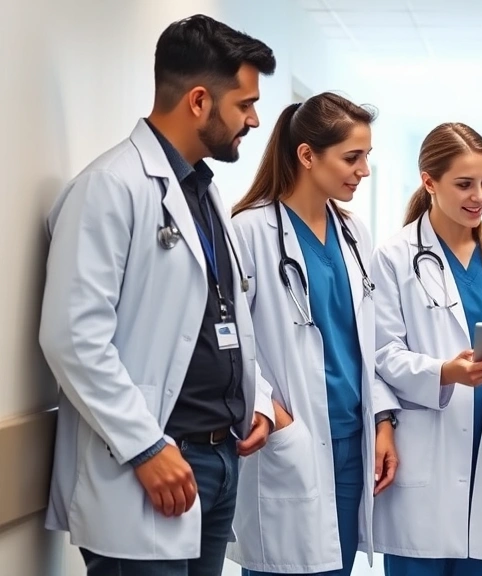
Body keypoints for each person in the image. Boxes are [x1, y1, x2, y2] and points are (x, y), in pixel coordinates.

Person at [38, 14, 278, 576]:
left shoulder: (202, 190)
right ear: (199, 101)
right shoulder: (109, 188)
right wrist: (146, 446)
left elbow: (223, 314)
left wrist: (257, 398)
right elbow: (72, 337)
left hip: (217, 462)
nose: (253, 119)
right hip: (151, 465)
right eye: (244, 104)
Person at [226, 92, 401, 576]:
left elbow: (367, 340)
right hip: (291, 439)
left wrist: (383, 420)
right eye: (352, 157)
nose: (363, 170)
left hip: (354, 439)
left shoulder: (354, 232)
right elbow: (230, 342)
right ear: (307, 155)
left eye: (366, 156)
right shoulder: (250, 231)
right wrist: (273, 413)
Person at [371, 122, 482, 576]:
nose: (479, 196)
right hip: (423, 462)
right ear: (429, 182)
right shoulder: (393, 257)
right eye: (465, 184)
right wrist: (445, 372)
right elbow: (381, 354)